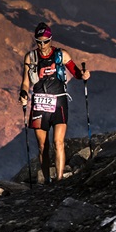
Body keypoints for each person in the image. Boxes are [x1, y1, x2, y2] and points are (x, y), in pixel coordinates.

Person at [18, 22, 90, 183]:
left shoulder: (61, 54)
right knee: (42, 146)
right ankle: (47, 181)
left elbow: (76, 72)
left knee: (58, 142)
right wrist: (23, 93)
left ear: (51, 39)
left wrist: (83, 75)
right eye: (39, 41)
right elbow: (25, 82)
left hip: (59, 102)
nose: (42, 45)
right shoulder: (30, 57)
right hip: (39, 103)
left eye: (45, 41)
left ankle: (59, 180)